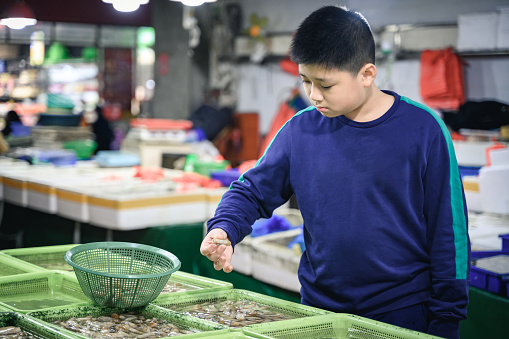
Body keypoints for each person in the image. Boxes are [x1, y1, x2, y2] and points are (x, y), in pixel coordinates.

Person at [200, 5, 470, 339]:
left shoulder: (424, 130)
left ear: (367, 74)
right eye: (305, 81)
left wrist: (447, 317)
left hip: (401, 312)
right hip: (319, 311)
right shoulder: (299, 131)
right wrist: (224, 227)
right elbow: (251, 190)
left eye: (325, 85)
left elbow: (449, 231)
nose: (313, 96)